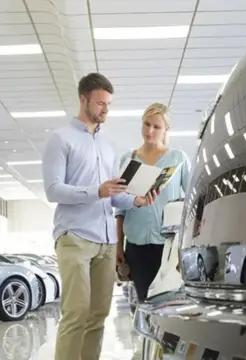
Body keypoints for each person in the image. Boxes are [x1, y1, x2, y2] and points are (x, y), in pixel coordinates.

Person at [41, 73, 157, 360]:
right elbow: (53, 190)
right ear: (83, 100)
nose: (105, 109)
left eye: (109, 104)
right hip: (75, 236)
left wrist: (138, 200)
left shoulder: (108, 145)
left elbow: (113, 194)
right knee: (76, 313)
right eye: (100, 103)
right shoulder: (60, 139)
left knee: (97, 316)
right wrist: (97, 191)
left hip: (105, 242)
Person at [115, 102, 191, 304]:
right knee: (145, 302)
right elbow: (120, 208)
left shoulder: (178, 158)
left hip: (168, 245)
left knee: (170, 303)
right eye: (147, 124)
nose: (150, 130)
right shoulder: (128, 159)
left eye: (157, 126)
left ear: (166, 129)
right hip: (136, 245)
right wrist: (118, 247)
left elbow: (192, 201)